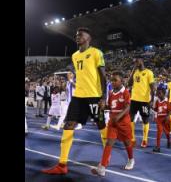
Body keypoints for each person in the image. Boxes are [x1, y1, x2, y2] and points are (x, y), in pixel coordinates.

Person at [42, 27, 107, 175]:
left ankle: (106, 159)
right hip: (78, 97)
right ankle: (62, 164)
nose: (77, 37)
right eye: (76, 35)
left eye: (81, 35)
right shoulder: (75, 55)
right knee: (68, 125)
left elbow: (103, 76)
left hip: (94, 96)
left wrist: (104, 97)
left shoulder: (97, 53)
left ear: (88, 38)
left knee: (101, 124)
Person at [91, 71, 134, 176]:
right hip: (113, 122)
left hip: (123, 122)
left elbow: (127, 107)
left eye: (115, 80)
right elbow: (110, 107)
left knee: (127, 142)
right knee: (109, 142)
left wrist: (118, 116)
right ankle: (102, 167)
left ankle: (131, 159)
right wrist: (103, 106)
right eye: (112, 80)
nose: (113, 82)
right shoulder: (111, 93)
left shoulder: (125, 92)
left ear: (122, 81)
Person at [127, 55, 155, 148]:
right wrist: (133, 69)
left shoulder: (149, 72)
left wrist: (152, 99)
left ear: (142, 60)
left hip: (144, 101)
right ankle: (132, 139)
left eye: (137, 61)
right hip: (134, 99)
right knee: (130, 119)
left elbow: (152, 87)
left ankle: (145, 139)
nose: (136, 62)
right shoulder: (135, 72)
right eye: (134, 61)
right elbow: (129, 83)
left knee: (145, 120)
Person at [153, 84, 171, 152]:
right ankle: (157, 146)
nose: (158, 94)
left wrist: (168, 116)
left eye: (160, 93)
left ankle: (169, 140)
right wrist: (151, 109)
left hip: (166, 119)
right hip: (159, 119)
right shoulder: (157, 102)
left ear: (164, 93)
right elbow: (155, 110)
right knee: (159, 133)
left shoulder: (167, 102)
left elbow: (170, 110)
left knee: (167, 132)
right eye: (158, 93)